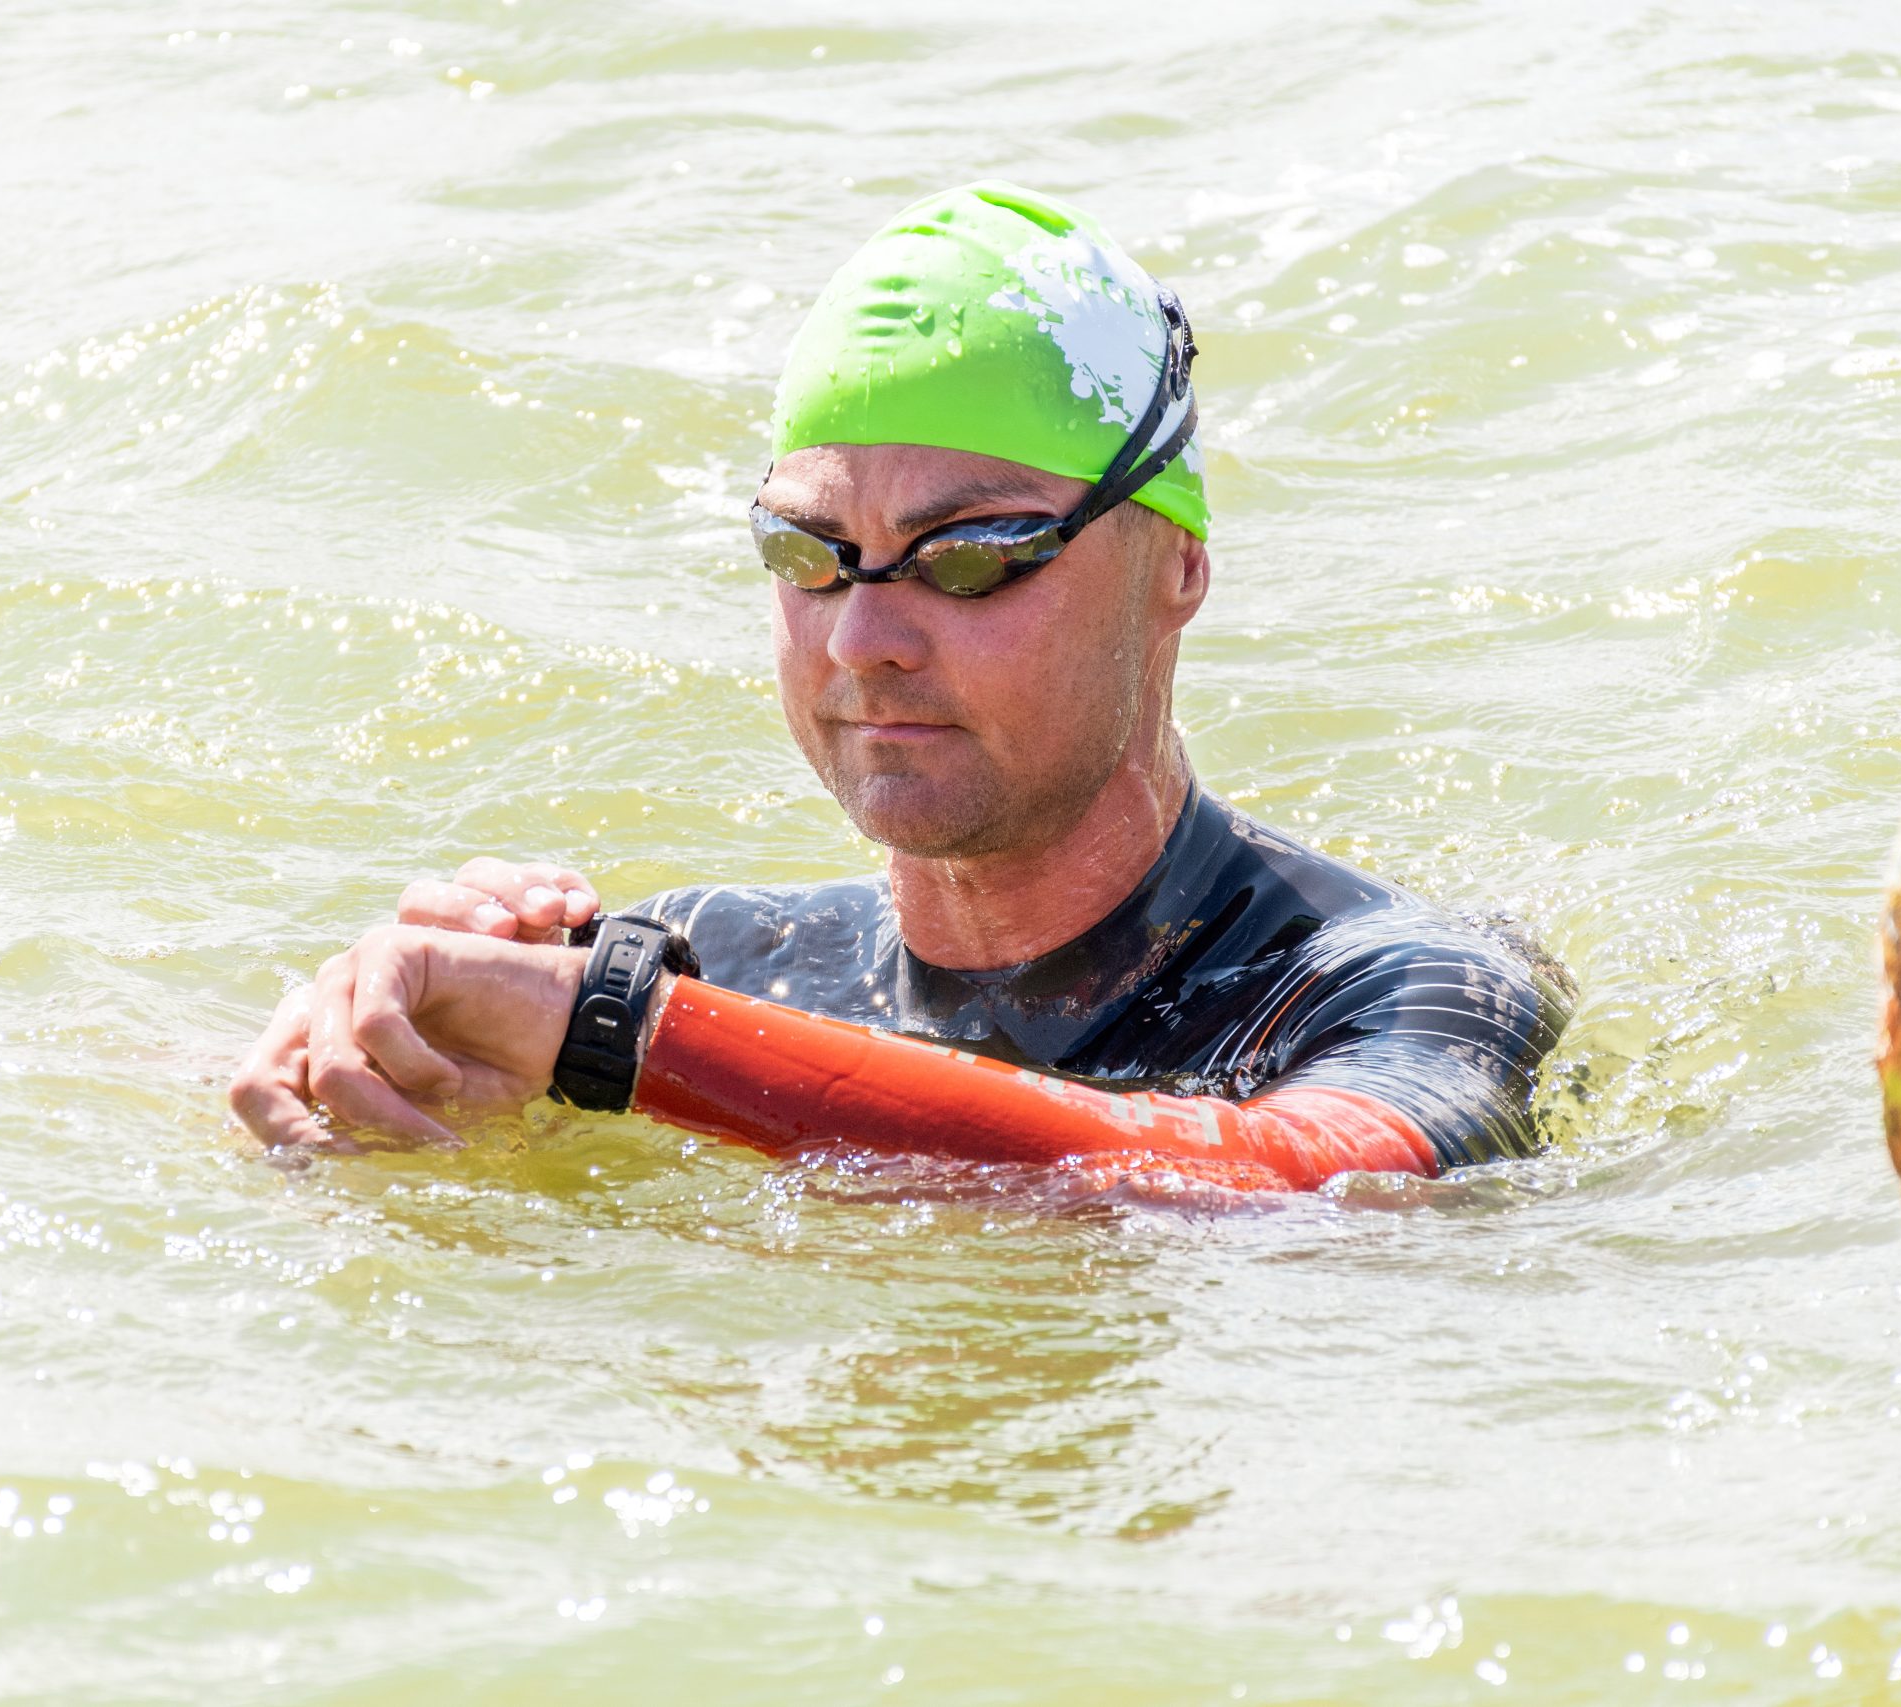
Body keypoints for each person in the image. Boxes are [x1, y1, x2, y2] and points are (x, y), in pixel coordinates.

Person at [231, 181, 1571, 1193]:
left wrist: (618, 1041)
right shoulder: (719, 967)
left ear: (1176, 568)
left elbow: (1304, 1186)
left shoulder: (1402, 987)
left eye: (972, 556)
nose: (863, 637)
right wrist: (387, 1051)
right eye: (809, 554)